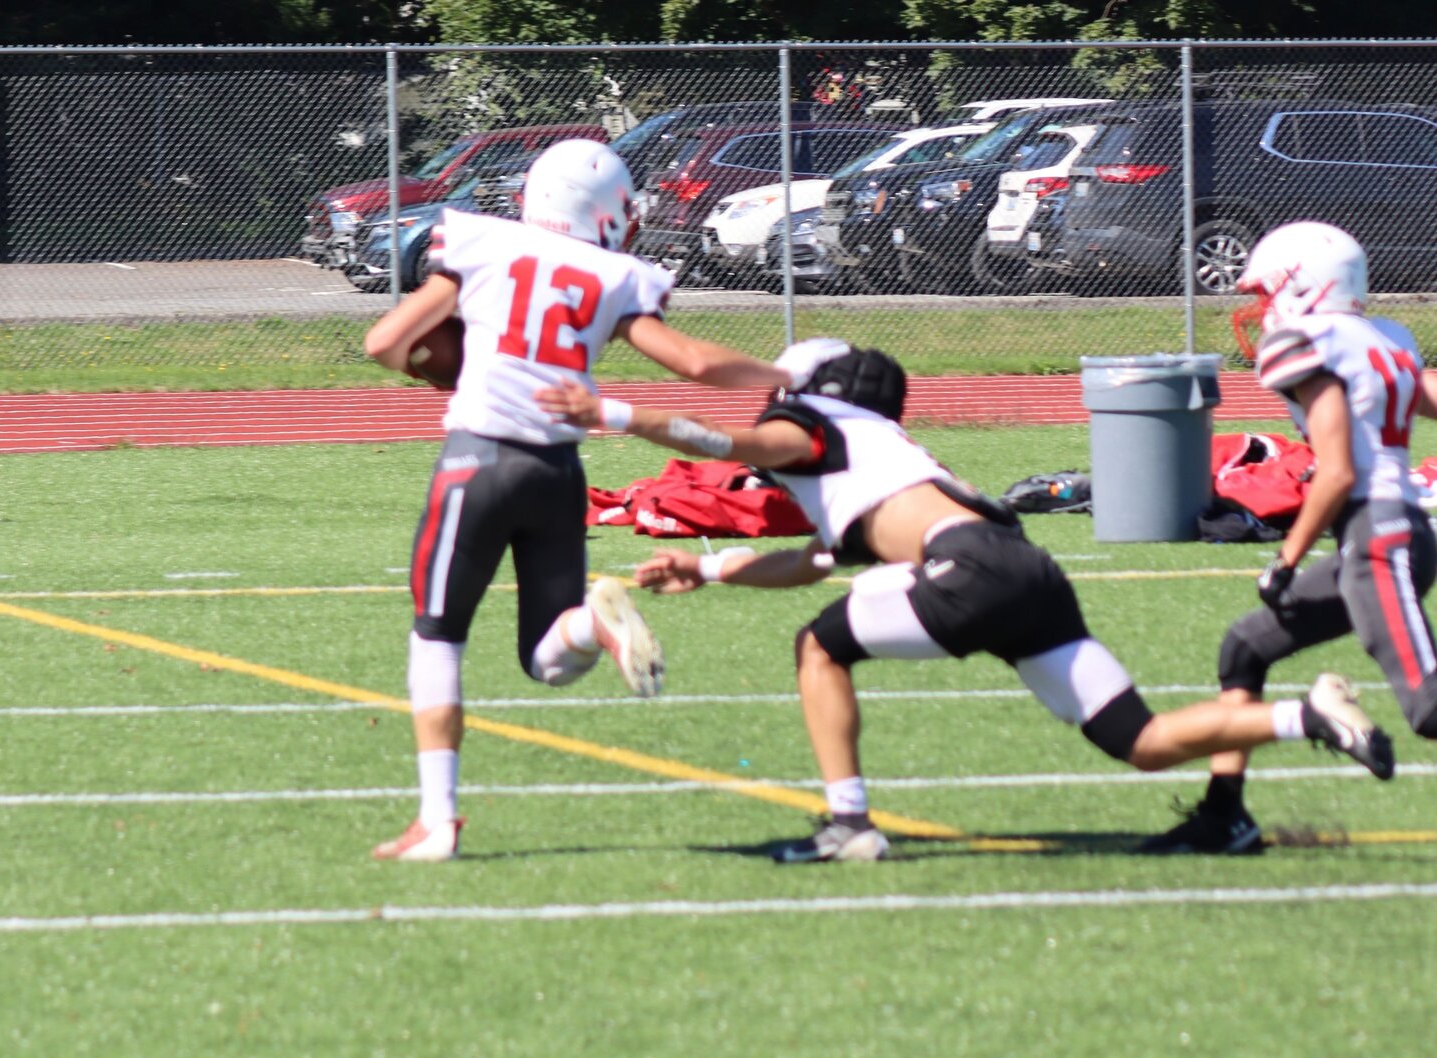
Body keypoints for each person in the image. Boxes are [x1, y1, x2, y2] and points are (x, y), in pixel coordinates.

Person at [537, 338, 1394, 863]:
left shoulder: (816, 431)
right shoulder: (890, 454)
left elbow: (719, 438)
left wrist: (609, 410)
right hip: (1026, 572)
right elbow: (817, 559)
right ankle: (1306, 717)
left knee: (820, 646)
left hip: (970, 571)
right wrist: (714, 568)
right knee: (1141, 741)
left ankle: (848, 824)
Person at [366, 138, 789, 862]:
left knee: (437, 635)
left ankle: (437, 820)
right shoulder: (617, 273)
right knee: (548, 658)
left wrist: (451, 365)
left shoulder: (481, 240)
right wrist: (779, 372)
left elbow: (384, 343)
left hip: (478, 459)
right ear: (607, 213)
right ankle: (594, 621)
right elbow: (691, 361)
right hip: (559, 473)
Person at [1143, 221, 1437, 854]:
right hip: (1382, 538)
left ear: (1304, 285)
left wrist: (1286, 558)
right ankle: (1225, 816)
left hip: (1379, 539)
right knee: (1245, 648)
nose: (1260, 306)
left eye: (1268, 289)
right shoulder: (1390, 337)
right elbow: (1420, 396)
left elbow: (1336, 472)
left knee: (1430, 708)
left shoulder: (1307, 341)